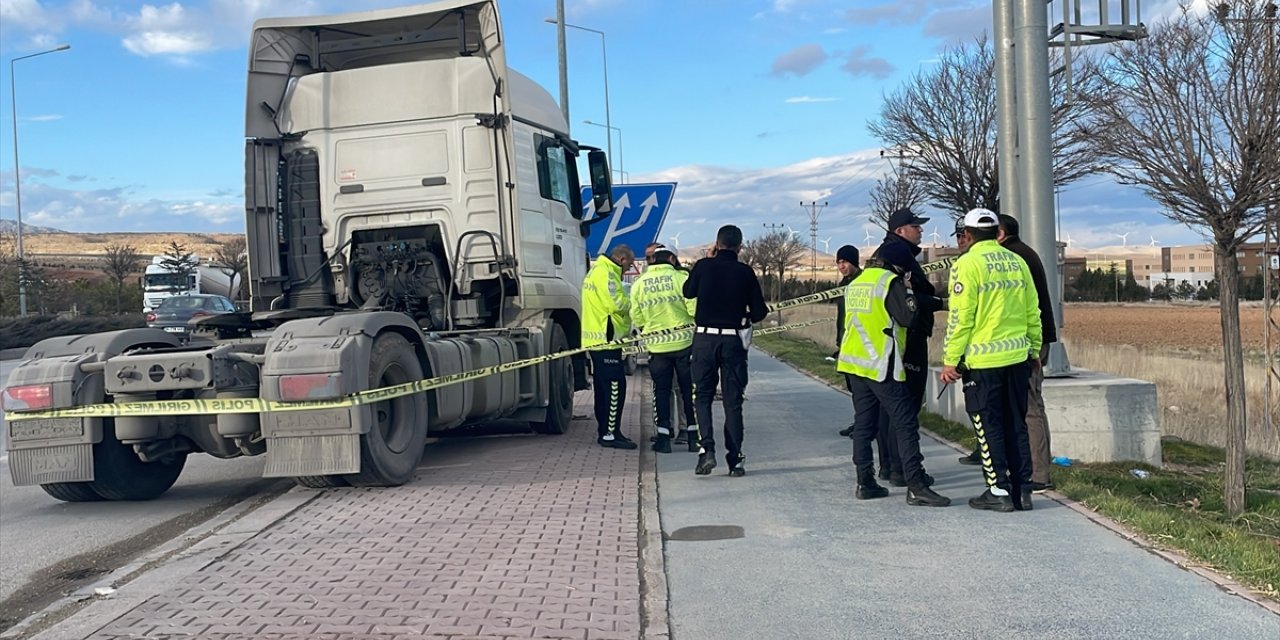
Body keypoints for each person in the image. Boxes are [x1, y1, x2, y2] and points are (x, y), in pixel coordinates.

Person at [941, 208, 1042, 512]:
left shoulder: (966, 265)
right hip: (1018, 357)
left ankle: (997, 490)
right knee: (1017, 424)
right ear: (997, 231)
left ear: (968, 234)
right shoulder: (1017, 261)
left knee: (988, 426)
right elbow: (1032, 309)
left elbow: (961, 318)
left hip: (983, 362)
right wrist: (1034, 350)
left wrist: (951, 360)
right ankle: (1022, 490)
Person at [838, 257, 951, 507]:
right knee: (906, 421)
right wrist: (908, 291)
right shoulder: (890, 282)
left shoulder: (855, 283)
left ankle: (865, 482)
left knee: (864, 425)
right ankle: (916, 485)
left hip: (854, 362)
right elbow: (906, 318)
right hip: (881, 362)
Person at [682, 224, 768, 477]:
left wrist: (706, 261)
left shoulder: (703, 267)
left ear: (716, 245)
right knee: (733, 402)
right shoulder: (745, 272)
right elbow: (760, 311)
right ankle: (735, 460)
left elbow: (688, 292)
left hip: (704, 340)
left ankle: (706, 450)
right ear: (740, 247)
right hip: (733, 342)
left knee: (703, 397)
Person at [872, 208, 945, 486]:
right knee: (906, 406)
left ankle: (889, 466)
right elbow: (909, 296)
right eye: (916, 226)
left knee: (888, 407)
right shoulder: (898, 255)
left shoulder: (888, 252)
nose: (921, 231)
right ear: (901, 230)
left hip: (893, 336)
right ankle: (904, 468)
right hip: (908, 335)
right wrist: (938, 302)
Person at [997, 213, 1057, 492]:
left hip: (1029, 342)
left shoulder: (1013, 257)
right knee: (1031, 405)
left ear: (1000, 232)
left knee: (1030, 406)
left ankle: (1038, 474)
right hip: (1034, 338)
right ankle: (1035, 467)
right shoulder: (1024, 253)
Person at [631, 247, 698, 453]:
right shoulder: (681, 278)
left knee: (661, 391)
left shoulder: (639, 283)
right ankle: (693, 437)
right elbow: (693, 309)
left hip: (656, 346)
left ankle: (663, 438)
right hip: (684, 344)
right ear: (671, 258)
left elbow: (637, 316)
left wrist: (649, 329)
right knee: (688, 391)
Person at [582, 244, 637, 449]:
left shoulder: (597, 270)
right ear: (621, 260)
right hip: (607, 339)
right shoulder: (607, 274)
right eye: (628, 265)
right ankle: (610, 434)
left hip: (598, 339)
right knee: (615, 387)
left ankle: (606, 430)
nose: (627, 270)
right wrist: (633, 302)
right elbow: (616, 304)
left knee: (603, 388)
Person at [834, 245, 863, 439]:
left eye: (845, 262)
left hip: (862, 342)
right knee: (853, 387)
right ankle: (860, 421)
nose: (841, 266)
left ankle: (866, 424)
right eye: (839, 263)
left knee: (863, 388)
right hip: (845, 341)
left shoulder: (863, 282)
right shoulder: (842, 285)